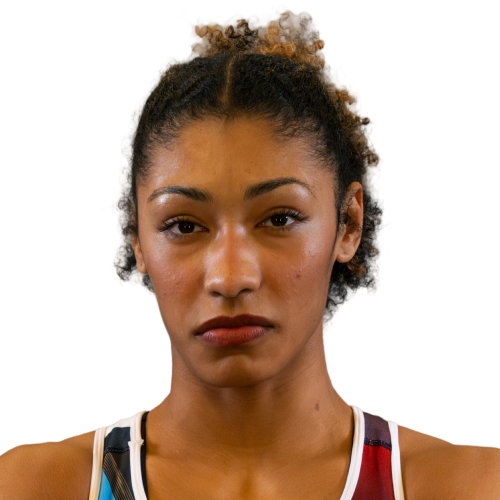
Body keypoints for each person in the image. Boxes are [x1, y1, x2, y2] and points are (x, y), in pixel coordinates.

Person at [1, 7, 498, 500]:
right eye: (184, 225)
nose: (230, 276)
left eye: (279, 219)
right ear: (136, 237)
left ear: (348, 223)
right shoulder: (35, 487)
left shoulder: (466, 487)